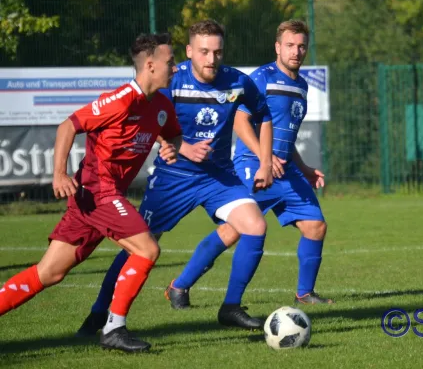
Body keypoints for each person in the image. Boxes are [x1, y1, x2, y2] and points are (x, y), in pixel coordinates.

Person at [77, 19, 273, 336]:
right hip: (173, 179)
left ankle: (230, 308)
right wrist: (168, 145)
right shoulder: (174, 79)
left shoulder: (237, 81)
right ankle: (99, 314)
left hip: (219, 177)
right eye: (204, 52)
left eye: (218, 52)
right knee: (140, 246)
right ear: (189, 51)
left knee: (255, 225)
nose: (212, 59)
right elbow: (146, 114)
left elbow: (263, 115)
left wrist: (265, 161)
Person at [0, 33, 182, 353]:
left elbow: (173, 135)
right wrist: (59, 173)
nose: (176, 67)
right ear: (150, 65)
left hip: (97, 198)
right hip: (98, 190)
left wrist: (170, 147)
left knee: (50, 272)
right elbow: (68, 126)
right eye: (171, 62)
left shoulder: (163, 106)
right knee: (147, 250)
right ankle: (114, 328)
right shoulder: (121, 100)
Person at [164, 19, 333, 308]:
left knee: (315, 226)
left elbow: (285, 135)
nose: (296, 51)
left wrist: (303, 168)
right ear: (277, 47)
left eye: (302, 46)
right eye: (290, 45)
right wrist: (264, 159)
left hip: (285, 169)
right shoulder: (261, 78)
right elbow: (242, 122)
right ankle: (179, 286)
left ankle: (305, 293)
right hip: (252, 165)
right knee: (234, 229)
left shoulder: (302, 86)